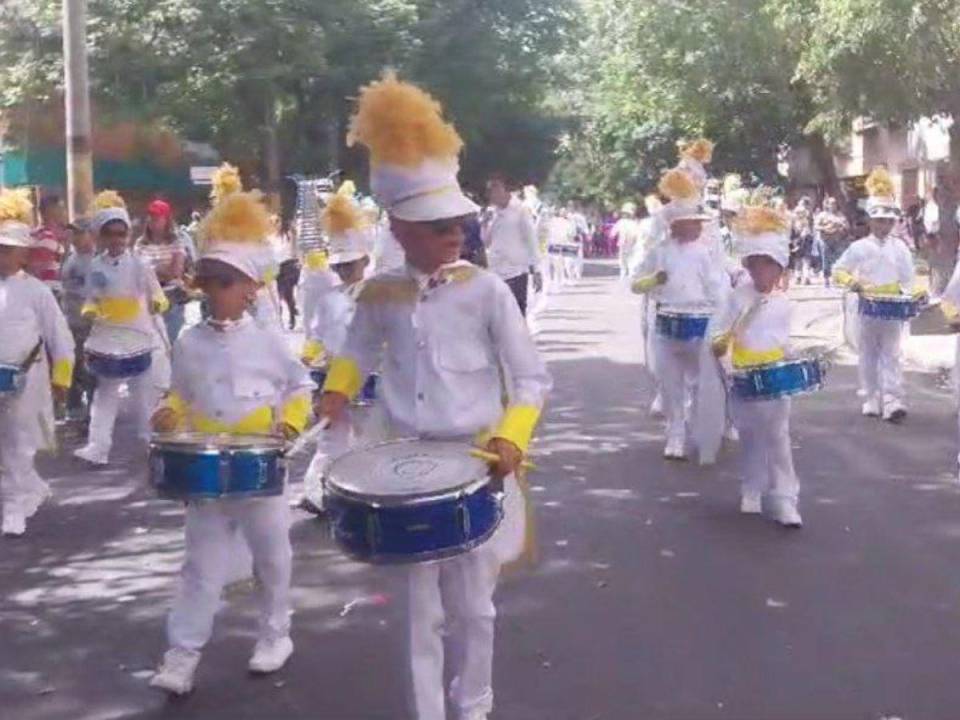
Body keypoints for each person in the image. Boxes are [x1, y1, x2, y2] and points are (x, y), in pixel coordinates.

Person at [320, 72, 551, 720]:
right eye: (436, 224)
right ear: (399, 228)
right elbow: (356, 353)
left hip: (476, 464)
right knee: (418, 614)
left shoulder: (486, 290)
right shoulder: (381, 291)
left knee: (475, 607)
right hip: (399, 466)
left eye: (457, 221)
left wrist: (512, 437)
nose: (454, 231)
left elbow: (531, 378)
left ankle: (473, 702)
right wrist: (336, 393)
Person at [147, 188, 311, 695]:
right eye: (208, 281)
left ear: (249, 288)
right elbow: (179, 390)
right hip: (206, 471)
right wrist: (170, 411)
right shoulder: (189, 342)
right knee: (200, 564)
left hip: (259, 468)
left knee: (272, 555)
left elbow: (300, 384)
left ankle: (274, 634)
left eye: (224, 282)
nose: (212, 290)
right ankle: (182, 654)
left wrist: (291, 422)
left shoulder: (269, 341)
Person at [711, 203, 802, 527]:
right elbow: (720, 335)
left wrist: (794, 358)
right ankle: (751, 488)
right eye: (757, 265)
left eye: (770, 265)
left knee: (778, 437)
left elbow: (784, 342)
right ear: (748, 266)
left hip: (775, 380)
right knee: (750, 437)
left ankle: (786, 500)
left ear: (779, 269)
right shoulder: (737, 297)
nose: (763, 272)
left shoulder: (785, 304)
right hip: (743, 377)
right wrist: (723, 353)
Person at [631, 168, 724, 459]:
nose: (698, 227)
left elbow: (716, 288)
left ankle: (699, 429)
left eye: (699, 222)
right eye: (692, 222)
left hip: (699, 323)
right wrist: (653, 281)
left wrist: (722, 321)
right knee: (670, 384)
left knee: (699, 383)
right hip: (667, 322)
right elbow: (635, 282)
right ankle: (675, 435)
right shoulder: (659, 252)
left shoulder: (704, 253)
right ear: (677, 225)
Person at [72, 191, 170, 466]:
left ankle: (150, 442)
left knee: (143, 396)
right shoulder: (95, 266)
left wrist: (159, 302)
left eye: (121, 233)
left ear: (127, 236)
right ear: (100, 237)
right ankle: (97, 447)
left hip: (139, 334)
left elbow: (155, 291)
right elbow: (91, 296)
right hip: (108, 336)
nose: (116, 239)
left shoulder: (140, 263)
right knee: (105, 395)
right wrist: (90, 308)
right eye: (110, 234)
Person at [0, 188, 74, 536]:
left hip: (26, 380)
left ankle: (13, 508)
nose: (1, 254)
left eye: (7, 249)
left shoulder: (37, 292)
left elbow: (61, 340)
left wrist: (61, 379)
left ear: (23, 255)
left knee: (17, 441)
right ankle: (32, 488)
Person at [301, 193, 372, 514]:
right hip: (332, 379)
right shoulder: (329, 298)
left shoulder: (380, 296)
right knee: (330, 439)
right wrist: (306, 361)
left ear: (365, 262)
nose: (344, 270)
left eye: (350, 264)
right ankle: (316, 494)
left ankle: (369, 495)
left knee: (372, 439)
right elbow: (317, 336)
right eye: (340, 265)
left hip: (371, 380)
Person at [832, 168, 917, 422]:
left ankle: (892, 399)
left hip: (891, 308)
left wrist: (907, 296)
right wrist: (853, 282)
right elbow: (838, 270)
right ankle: (870, 396)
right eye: (879, 220)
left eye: (888, 221)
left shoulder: (900, 247)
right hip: (867, 306)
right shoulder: (859, 247)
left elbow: (908, 277)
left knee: (891, 353)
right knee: (868, 352)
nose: (884, 225)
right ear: (870, 220)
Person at [481, 173, 542, 316]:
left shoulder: (520, 210)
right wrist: (484, 224)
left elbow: (531, 240)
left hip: (516, 271)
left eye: (494, 189)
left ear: (503, 189)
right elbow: (486, 242)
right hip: (496, 271)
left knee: (517, 316)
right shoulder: (492, 213)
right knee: (499, 318)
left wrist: (536, 270)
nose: (491, 195)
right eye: (489, 191)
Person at [136, 199, 190, 342]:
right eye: (151, 217)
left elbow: (176, 271)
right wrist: (158, 271)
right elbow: (137, 272)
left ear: (166, 220)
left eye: (158, 218)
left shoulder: (176, 242)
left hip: (171, 298)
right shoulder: (140, 244)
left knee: (170, 340)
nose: (154, 221)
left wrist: (153, 271)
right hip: (148, 299)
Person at [61, 217, 98, 418]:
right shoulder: (71, 257)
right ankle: (74, 409)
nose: (74, 237)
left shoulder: (95, 261)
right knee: (72, 367)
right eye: (73, 233)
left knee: (88, 370)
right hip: (70, 320)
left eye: (78, 233)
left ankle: (93, 411)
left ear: (90, 235)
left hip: (87, 324)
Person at [27, 193, 70, 298]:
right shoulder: (45, 236)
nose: (64, 212)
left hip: (46, 288)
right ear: (50, 211)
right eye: (61, 208)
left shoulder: (36, 233)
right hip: (48, 289)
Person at [814, 196, 849, 287]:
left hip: (838, 240)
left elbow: (847, 226)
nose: (833, 205)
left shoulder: (840, 215)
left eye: (834, 204)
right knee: (826, 259)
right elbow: (816, 226)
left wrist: (841, 226)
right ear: (828, 205)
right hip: (825, 240)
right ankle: (826, 278)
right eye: (831, 203)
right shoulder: (822, 215)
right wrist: (826, 228)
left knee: (837, 259)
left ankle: (836, 278)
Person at [611, 202, 643, 280]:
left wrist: (613, 235)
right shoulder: (634, 223)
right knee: (629, 258)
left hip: (626, 243)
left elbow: (613, 232)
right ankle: (629, 272)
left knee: (624, 258)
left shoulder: (623, 222)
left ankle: (625, 272)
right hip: (630, 243)